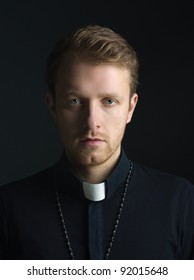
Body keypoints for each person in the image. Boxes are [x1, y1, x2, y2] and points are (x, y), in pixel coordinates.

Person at [0, 25, 194, 260]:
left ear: (130, 108)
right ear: (52, 106)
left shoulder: (180, 202)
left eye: (109, 101)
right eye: (74, 101)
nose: (92, 122)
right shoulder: (8, 208)